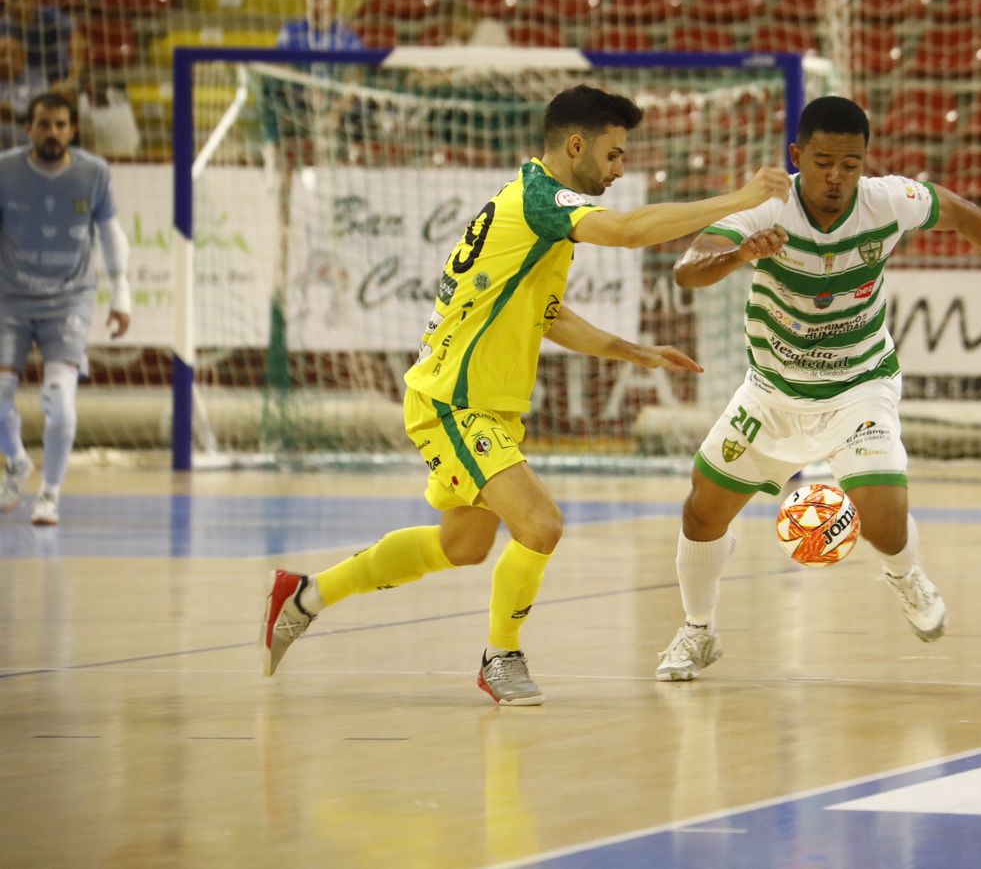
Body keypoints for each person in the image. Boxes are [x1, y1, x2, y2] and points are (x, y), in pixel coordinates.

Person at [260, 85, 792, 705]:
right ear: (576, 145)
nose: (620, 170)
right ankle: (501, 658)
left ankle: (303, 596)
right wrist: (743, 198)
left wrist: (631, 350)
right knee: (541, 525)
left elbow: (546, 313)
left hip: (479, 403)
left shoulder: (535, 210)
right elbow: (625, 232)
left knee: (462, 545)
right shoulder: (543, 198)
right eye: (614, 155)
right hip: (454, 400)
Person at [652, 96, 981, 681]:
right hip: (771, 392)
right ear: (798, 156)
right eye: (823, 161)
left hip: (859, 385)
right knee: (701, 512)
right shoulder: (766, 208)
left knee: (883, 520)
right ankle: (698, 631)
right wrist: (740, 255)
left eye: (850, 164)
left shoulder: (885, 200)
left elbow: (964, 212)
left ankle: (906, 575)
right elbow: (687, 269)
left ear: (865, 162)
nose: (836, 176)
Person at [0, 93, 133, 527]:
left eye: (60, 124)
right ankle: (18, 463)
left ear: (72, 129)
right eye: (43, 124)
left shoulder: (93, 173)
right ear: (29, 129)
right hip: (11, 299)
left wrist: (122, 293)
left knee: (59, 398)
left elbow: (110, 233)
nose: (52, 132)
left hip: (69, 299)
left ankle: (50, 495)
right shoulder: (6, 171)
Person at [0, 0, 85, 99]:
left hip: (58, 80)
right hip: (24, 86)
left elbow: (78, 41)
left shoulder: (51, 17)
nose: (19, 6)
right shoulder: (3, 27)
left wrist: (71, 80)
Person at [0, 36, 49, 150]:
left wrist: (13, 112)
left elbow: (39, 113)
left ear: (23, 57)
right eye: (1, 55)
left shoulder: (37, 81)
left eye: (11, 55)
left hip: (24, 134)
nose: (5, 61)